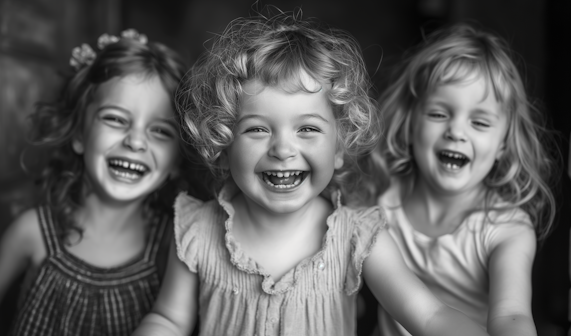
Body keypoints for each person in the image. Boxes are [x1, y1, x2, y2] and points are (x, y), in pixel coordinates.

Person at [132, 12, 491, 336]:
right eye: (258, 129)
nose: (283, 149)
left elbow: (428, 317)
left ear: (338, 148)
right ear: (224, 147)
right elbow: (169, 320)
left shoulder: (359, 237)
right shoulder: (197, 232)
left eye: (307, 129)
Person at [0, 29, 191, 336]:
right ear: (77, 134)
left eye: (161, 131)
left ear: (176, 162)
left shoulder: (176, 246)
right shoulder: (31, 233)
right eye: (115, 119)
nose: (136, 141)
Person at [371, 23, 557, 336]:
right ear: (410, 124)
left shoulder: (506, 228)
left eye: (480, 122)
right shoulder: (380, 200)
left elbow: (511, 315)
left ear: (502, 144)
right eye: (438, 114)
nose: (456, 131)